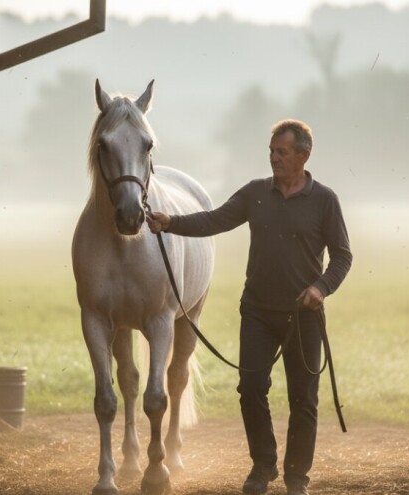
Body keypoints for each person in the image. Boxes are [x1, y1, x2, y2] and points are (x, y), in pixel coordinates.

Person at [146, 119, 353, 495]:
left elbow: (342, 256)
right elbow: (215, 220)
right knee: (251, 388)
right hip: (257, 312)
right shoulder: (256, 193)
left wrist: (321, 288)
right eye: (271, 151)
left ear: (304, 156)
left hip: (304, 316)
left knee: (303, 399)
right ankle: (263, 467)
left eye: (282, 152)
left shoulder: (325, 201)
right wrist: (171, 222)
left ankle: (296, 478)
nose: (274, 158)